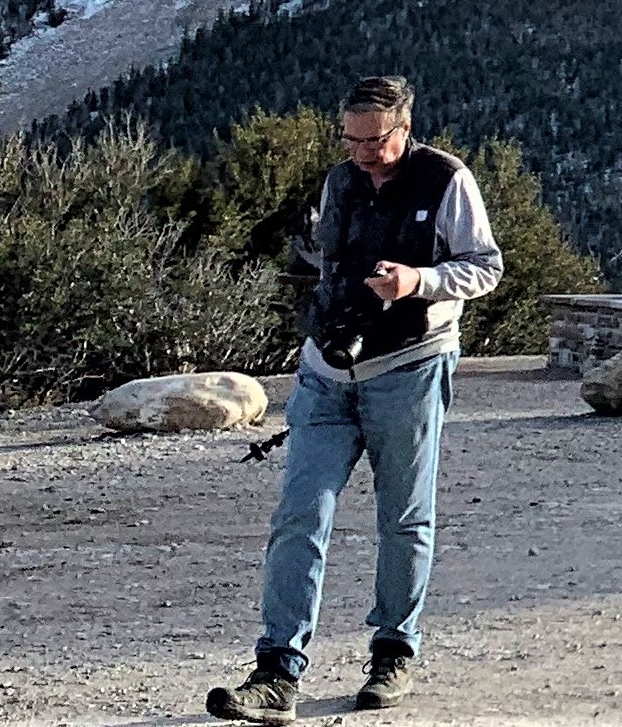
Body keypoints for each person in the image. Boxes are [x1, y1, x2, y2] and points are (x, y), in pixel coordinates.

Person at [208, 76, 504, 722]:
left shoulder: (446, 179)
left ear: (405, 128)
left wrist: (418, 281)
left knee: (403, 516)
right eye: (352, 138)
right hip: (325, 370)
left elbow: (486, 265)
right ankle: (276, 668)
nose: (363, 152)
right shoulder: (339, 180)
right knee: (300, 512)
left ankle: (393, 651)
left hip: (411, 365)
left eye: (376, 140)